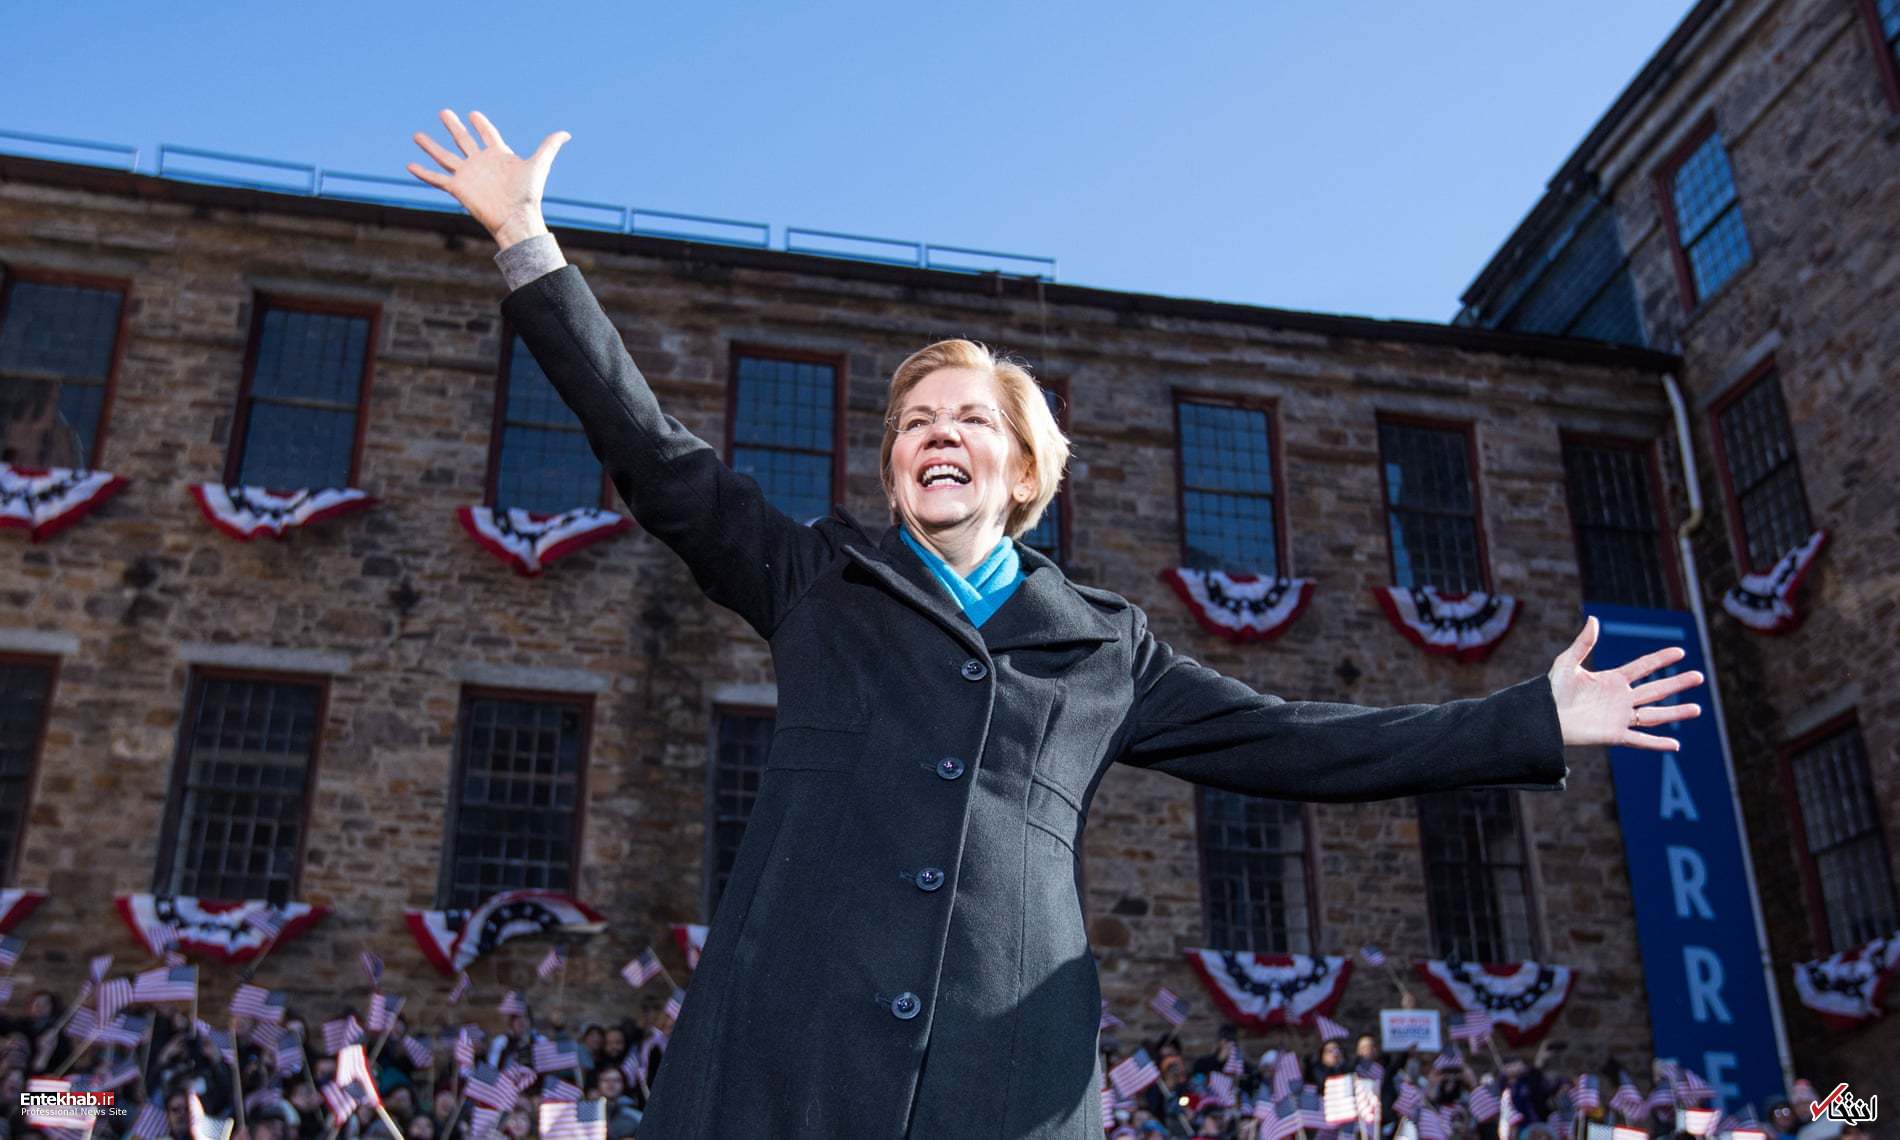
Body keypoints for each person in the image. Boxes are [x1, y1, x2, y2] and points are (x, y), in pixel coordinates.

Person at [406, 108, 1707, 1140]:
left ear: (1023, 469)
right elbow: (659, 456)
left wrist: (1532, 718)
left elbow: (1305, 743)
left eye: (971, 419)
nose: (938, 434)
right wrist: (528, 243)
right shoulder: (816, 581)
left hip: (1004, 1074)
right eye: (915, 422)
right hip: (795, 1049)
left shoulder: (1105, 647)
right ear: (895, 467)